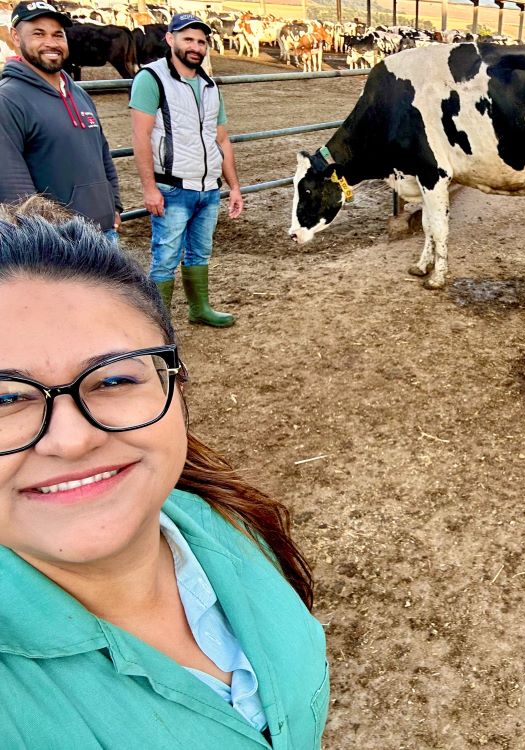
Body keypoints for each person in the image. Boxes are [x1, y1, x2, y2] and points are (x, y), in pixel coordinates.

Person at [0, 197, 329, 747]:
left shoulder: (228, 517)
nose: (73, 439)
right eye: (6, 398)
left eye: (113, 380)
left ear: (175, 385)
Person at [129, 13, 244, 328]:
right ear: (170, 39)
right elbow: (140, 136)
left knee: (200, 252)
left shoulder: (209, 85)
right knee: (165, 258)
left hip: (209, 188)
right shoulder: (151, 79)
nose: (195, 47)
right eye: (188, 39)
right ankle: (158, 325)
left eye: (201, 42)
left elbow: (222, 138)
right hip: (172, 187)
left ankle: (199, 308)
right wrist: (149, 188)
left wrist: (234, 187)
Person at [0, 2, 122, 238]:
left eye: (58, 35)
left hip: (104, 232)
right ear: (16, 36)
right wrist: (47, 239)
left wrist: (114, 205)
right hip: (61, 244)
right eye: (38, 34)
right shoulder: (8, 99)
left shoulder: (79, 94)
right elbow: (12, 184)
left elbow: (102, 154)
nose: (51, 43)